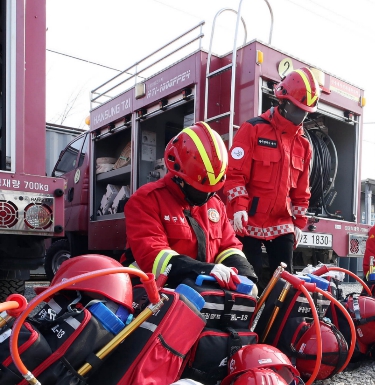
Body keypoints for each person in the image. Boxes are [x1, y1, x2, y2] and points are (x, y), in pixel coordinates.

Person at [123, 122, 256, 291]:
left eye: (212, 190)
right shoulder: (147, 199)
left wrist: (245, 275)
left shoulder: (215, 204)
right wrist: (205, 270)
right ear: (179, 177)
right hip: (150, 291)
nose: (206, 196)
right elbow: (153, 256)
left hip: (198, 289)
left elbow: (229, 246)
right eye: (199, 189)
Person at [224, 67, 319, 289]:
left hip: (282, 223)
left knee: (285, 284)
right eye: (297, 109)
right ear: (282, 101)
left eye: (305, 111)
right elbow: (234, 174)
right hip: (248, 220)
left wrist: (299, 223)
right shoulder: (253, 129)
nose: (301, 115)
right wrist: (239, 207)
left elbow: (302, 190)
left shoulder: (304, 145)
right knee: (249, 279)